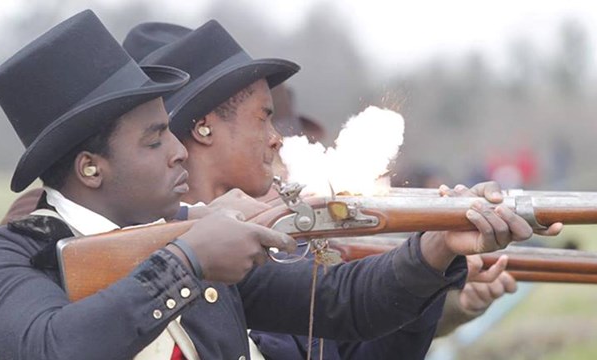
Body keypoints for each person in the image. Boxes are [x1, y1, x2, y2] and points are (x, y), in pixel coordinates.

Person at [121, 20, 559, 359]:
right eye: (264, 117)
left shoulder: (272, 245)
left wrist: (438, 258)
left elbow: (354, 324)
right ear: (202, 126)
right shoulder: (152, 251)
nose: (278, 139)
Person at [0, 11, 298, 360]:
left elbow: (333, 298)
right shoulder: (7, 256)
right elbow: (49, 347)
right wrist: (184, 264)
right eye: (155, 141)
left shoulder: (181, 229)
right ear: (90, 168)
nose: (179, 151)